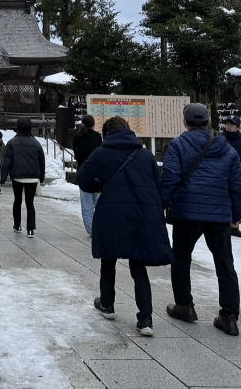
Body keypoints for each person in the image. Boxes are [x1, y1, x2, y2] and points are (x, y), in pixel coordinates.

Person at [77, 117, 172, 337]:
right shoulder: (145, 155)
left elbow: (82, 179)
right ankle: (145, 318)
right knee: (138, 265)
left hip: (112, 212)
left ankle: (107, 304)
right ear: (129, 131)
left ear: (106, 134)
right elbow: (157, 184)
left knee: (108, 259)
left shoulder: (101, 153)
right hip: (142, 213)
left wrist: (99, 185)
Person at [162, 103, 241, 337]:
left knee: (181, 257)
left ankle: (184, 305)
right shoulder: (226, 148)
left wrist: (160, 204)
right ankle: (229, 316)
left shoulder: (178, 145)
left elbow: (170, 178)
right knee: (224, 263)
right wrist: (236, 215)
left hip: (187, 212)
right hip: (219, 214)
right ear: (208, 122)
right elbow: (237, 184)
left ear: (185, 122)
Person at [3, 118, 45, 237]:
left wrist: (3, 177)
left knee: (17, 200)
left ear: (18, 128)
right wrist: (41, 177)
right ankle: (30, 229)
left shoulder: (12, 142)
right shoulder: (36, 143)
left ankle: (17, 225)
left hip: (17, 176)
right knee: (30, 203)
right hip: (32, 177)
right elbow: (41, 161)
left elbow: (7, 161)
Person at [221, 116, 241, 238]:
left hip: (238, 174)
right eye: (227, 124)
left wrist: (238, 159)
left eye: (232, 125)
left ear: (238, 127)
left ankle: (235, 225)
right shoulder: (220, 140)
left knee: (237, 199)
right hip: (221, 174)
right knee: (223, 198)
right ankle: (222, 225)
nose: (229, 127)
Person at [73, 115, 103, 237]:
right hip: (97, 175)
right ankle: (100, 227)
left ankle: (91, 230)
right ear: (93, 124)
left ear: (83, 124)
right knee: (99, 204)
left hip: (83, 173)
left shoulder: (77, 136)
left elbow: (76, 154)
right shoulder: (97, 137)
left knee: (86, 206)